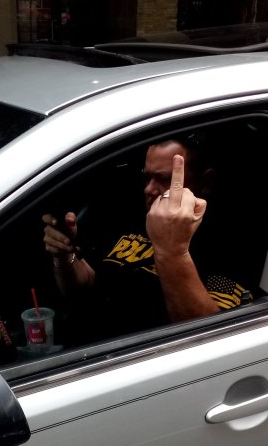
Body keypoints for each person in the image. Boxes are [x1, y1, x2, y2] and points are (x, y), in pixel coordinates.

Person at [42, 137, 251, 334]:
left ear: (206, 182)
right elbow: (87, 285)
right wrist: (64, 255)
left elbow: (207, 336)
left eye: (164, 179)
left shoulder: (227, 242)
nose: (148, 189)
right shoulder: (133, 214)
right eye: (147, 176)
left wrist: (172, 252)